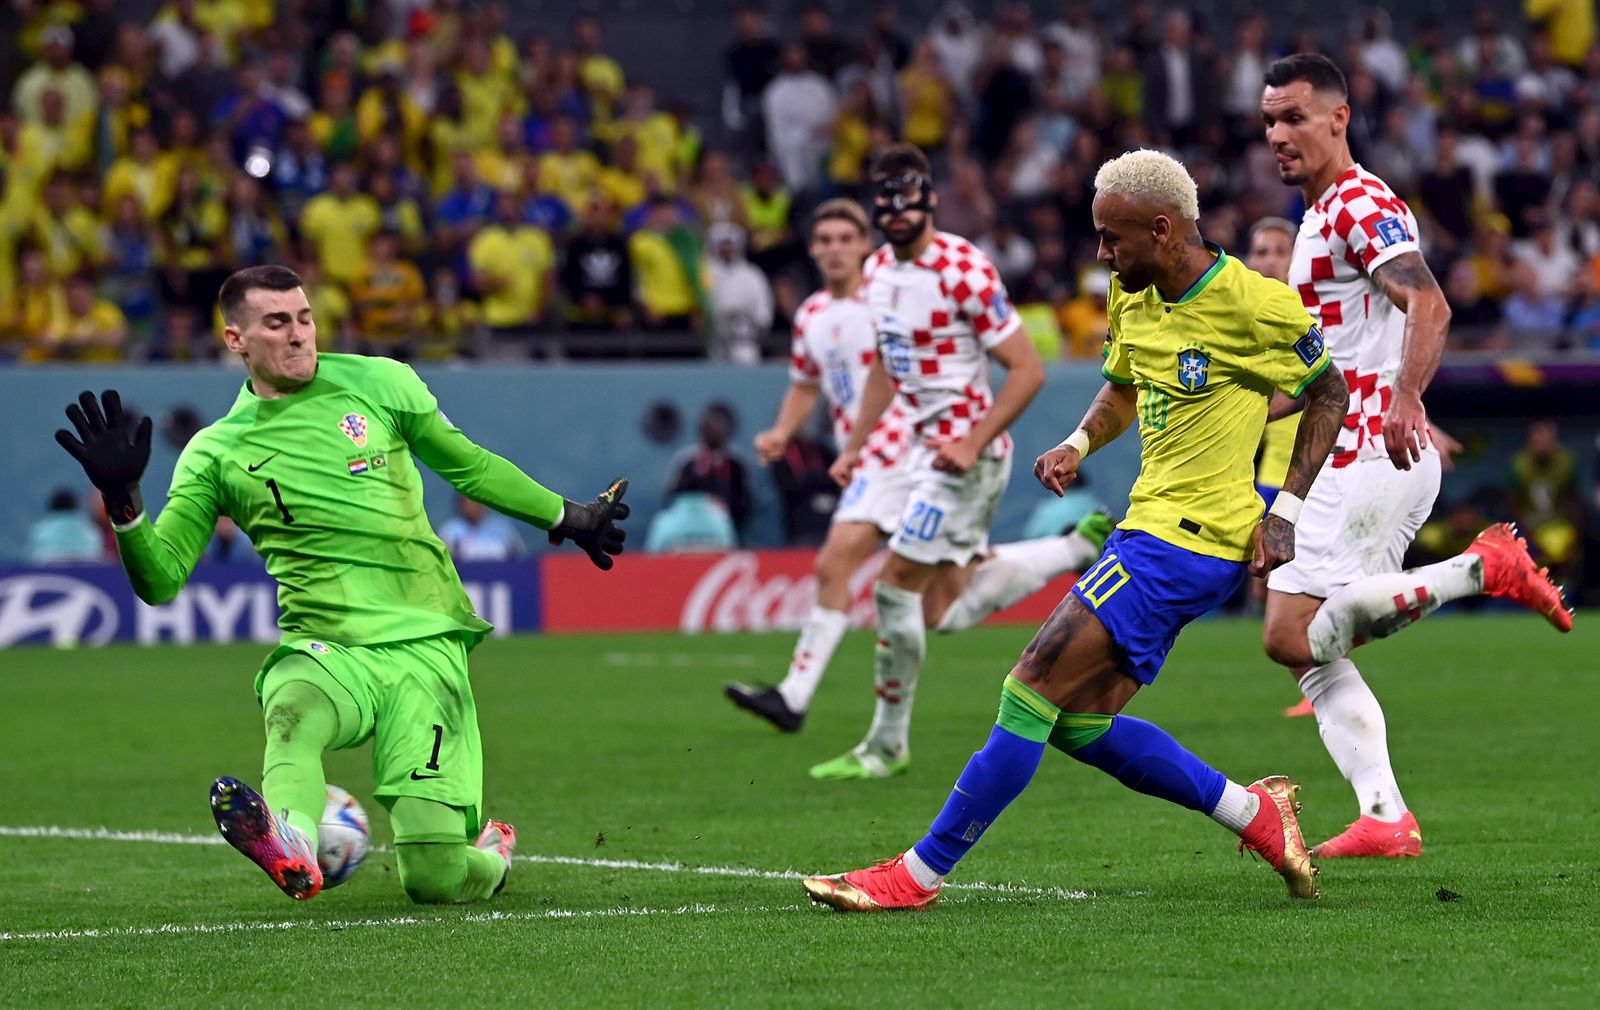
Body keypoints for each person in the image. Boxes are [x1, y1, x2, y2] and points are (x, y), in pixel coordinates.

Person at [803, 148, 1349, 913]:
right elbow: (1123, 387)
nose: (1100, 254)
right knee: (1081, 722)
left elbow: (1331, 392)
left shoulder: (1254, 304)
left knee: (1028, 687)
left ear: (1163, 229)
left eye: (1112, 238)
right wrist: (1079, 443)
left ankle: (917, 876)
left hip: (1185, 542)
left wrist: (1284, 513)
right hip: (1148, 528)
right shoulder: (1135, 291)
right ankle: (1253, 812)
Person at [53, 265, 629, 904]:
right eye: (277, 323)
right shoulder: (215, 453)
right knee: (292, 707)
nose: (299, 335)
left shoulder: (379, 381)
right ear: (236, 340)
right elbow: (161, 582)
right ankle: (292, 839)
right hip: (328, 648)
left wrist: (570, 516)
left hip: (424, 643)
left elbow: (470, 467)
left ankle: (491, 856)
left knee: (435, 879)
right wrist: (123, 502)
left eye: (304, 318)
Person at [1258, 54, 1571, 859]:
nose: (1278, 135)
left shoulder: (1359, 202)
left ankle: (1479, 570)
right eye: (1269, 121)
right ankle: (1385, 816)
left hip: (1369, 447)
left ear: (1339, 117)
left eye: (1294, 117)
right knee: (1298, 640)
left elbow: (1429, 300)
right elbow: (1324, 359)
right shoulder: (1320, 213)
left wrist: (1403, 400)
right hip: (1351, 444)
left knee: (1294, 635)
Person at [726, 198, 1110, 735]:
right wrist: (783, 433)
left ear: (867, 245)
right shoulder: (813, 314)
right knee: (939, 606)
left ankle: (814, 703)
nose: (835, 250)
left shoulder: (891, 296)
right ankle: (1073, 547)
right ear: (812, 249)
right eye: (825, 241)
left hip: (910, 452)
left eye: (846, 239)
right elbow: (806, 383)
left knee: (845, 565)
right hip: (871, 460)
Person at [801, 145, 1045, 780]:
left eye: (910, 198)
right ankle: (1070, 550)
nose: (899, 210)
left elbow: (1027, 369)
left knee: (893, 586)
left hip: (966, 458)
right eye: (887, 201)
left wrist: (969, 441)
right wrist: (855, 447)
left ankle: (886, 746)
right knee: (942, 611)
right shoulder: (879, 271)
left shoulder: (964, 268)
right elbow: (886, 364)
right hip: (921, 451)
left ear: (930, 200)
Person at [25, 488, 105, 564]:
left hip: (49, 572)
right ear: (75, 508)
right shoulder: (91, 530)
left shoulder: (39, 531)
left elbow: (31, 560)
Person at [438, 495, 528, 562]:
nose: (474, 506)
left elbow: (519, 556)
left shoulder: (502, 529)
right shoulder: (450, 531)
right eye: (469, 502)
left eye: (476, 501)